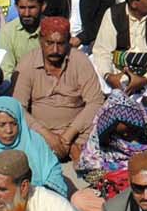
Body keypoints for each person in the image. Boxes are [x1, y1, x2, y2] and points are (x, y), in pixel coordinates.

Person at [11, 16, 105, 163]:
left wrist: (68, 137)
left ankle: (75, 151)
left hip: (78, 133)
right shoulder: (27, 63)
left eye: (60, 44)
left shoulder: (80, 61)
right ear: (40, 41)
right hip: (39, 133)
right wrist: (47, 136)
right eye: (49, 43)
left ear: (68, 41)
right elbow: (18, 107)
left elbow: (95, 101)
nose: (55, 50)